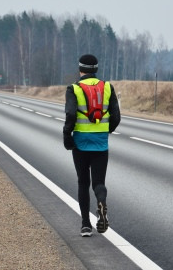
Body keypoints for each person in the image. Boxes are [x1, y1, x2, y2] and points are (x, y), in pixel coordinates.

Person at [63, 54, 121, 237]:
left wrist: (67, 134)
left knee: (83, 182)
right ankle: (101, 201)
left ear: (80, 69)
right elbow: (116, 116)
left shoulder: (74, 89)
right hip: (100, 144)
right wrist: (106, 131)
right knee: (98, 183)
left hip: (80, 144)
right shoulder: (108, 88)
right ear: (96, 69)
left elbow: (71, 114)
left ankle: (86, 225)